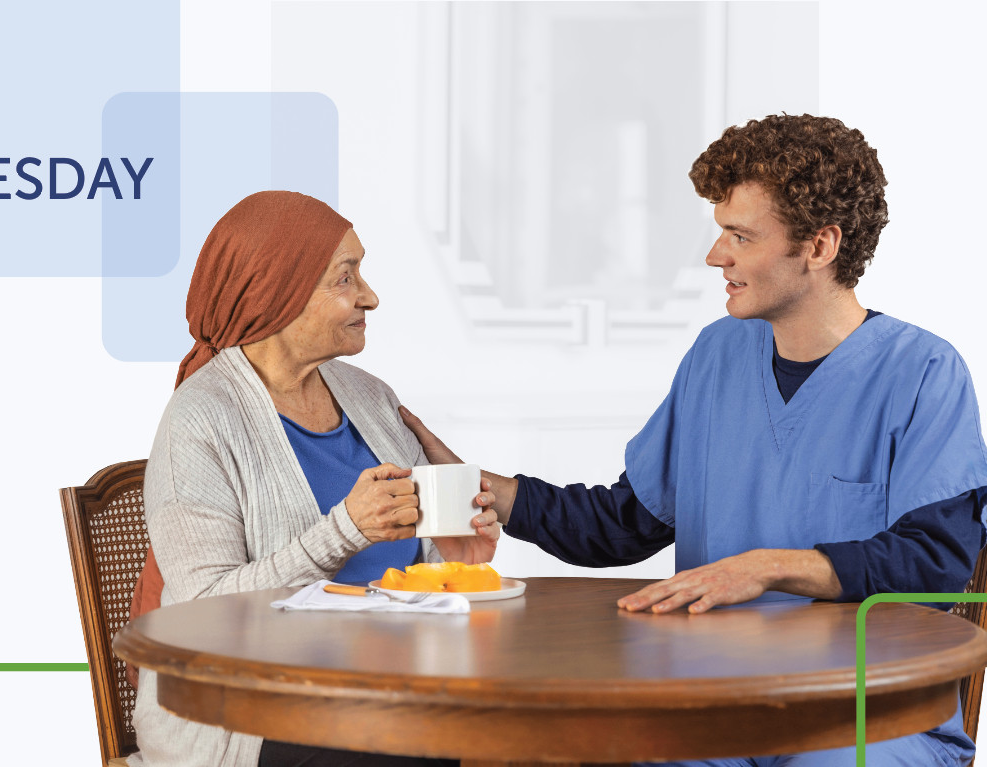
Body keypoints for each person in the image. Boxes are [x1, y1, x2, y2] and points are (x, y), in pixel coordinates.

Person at [400, 114, 987, 766]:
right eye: (719, 233)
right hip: (711, 707)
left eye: (740, 236)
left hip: (866, 714)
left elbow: (934, 565)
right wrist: (492, 491)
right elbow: (629, 522)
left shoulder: (923, 372)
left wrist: (770, 566)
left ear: (820, 246)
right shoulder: (717, 354)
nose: (716, 256)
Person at [131, 191, 501, 767]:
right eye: (345, 278)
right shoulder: (200, 420)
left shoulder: (371, 397)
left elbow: (402, 586)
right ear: (277, 293)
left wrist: (452, 561)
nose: (370, 297)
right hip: (253, 714)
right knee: (424, 754)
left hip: (389, 685)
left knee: (542, 734)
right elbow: (200, 613)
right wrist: (345, 531)